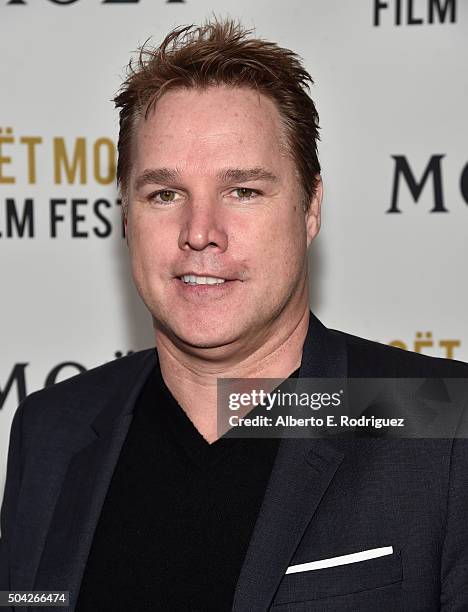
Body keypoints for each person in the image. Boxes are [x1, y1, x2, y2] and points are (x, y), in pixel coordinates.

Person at [1, 18, 468, 612]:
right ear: (125, 215)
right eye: (164, 194)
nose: (200, 233)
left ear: (310, 208)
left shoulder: (441, 422)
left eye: (244, 191)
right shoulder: (53, 429)